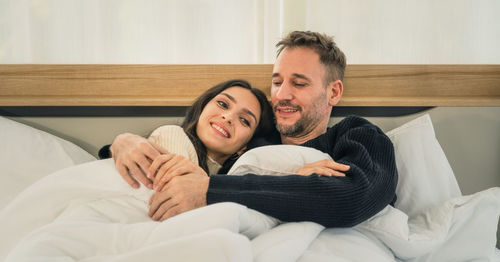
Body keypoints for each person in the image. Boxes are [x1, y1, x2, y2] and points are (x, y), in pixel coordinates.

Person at [104, 31, 398, 227]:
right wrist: (121, 143)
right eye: (277, 81)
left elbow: (352, 198)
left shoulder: (356, 135)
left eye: (298, 83)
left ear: (333, 93)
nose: (282, 94)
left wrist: (209, 190)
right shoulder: (249, 143)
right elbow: (188, 154)